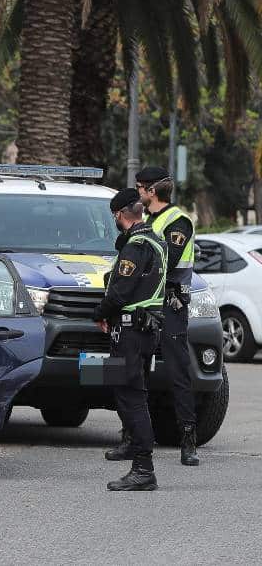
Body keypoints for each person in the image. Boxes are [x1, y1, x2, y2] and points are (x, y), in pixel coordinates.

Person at [93, 188, 167, 492]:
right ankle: (133, 451)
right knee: (126, 392)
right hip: (144, 330)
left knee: (131, 397)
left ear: (119, 215)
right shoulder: (157, 240)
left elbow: (119, 292)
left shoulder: (135, 247)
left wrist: (99, 313)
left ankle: (143, 468)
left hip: (130, 332)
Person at [129, 166, 198, 466]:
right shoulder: (148, 220)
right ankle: (131, 438)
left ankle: (188, 441)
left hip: (171, 305)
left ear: (151, 191)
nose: (138, 194)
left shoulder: (178, 221)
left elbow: (164, 261)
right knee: (135, 370)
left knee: (178, 372)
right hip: (146, 304)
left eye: (139, 188)